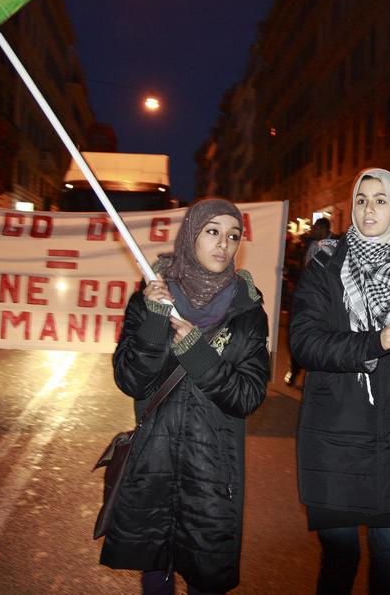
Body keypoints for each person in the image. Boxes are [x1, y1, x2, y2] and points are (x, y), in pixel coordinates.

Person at [100, 199, 271, 595]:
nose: (223, 243)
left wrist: (197, 353)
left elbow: (247, 396)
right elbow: (131, 380)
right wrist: (153, 320)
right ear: (191, 234)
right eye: (213, 231)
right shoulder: (150, 300)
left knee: (205, 576)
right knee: (155, 572)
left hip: (213, 474)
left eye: (233, 235)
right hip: (154, 464)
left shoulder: (248, 314)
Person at [289, 168, 390, 595]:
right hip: (335, 430)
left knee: (389, 550)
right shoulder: (326, 262)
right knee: (341, 555)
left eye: (380, 200)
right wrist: (376, 341)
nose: (368, 209)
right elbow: (305, 343)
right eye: (361, 200)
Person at [284, 217, 335, 387]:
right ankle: (294, 371)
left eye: (315, 229)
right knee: (297, 335)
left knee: (318, 340)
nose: (312, 231)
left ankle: (314, 379)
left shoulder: (335, 246)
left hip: (324, 300)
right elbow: (301, 267)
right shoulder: (308, 244)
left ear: (323, 230)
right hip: (304, 296)